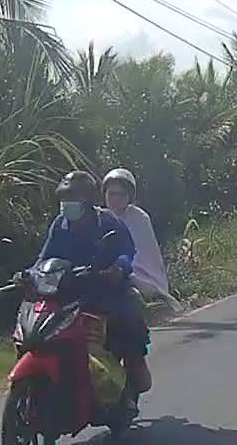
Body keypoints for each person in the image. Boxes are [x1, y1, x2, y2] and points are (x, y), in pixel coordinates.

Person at [33, 170, 152, 398]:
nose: (66, 204)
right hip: (69, 293)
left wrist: (118, 269)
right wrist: (29, 275)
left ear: (87, 201)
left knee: (130, 316)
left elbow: (128, 253)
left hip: (106, 291)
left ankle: (134, 368)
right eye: (64, 199)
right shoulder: (60, 225)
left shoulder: (108, 222)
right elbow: (44, 257)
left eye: (72, 199)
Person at [101, 168, 183, 313]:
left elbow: (141, 253)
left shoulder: (138, 218)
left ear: (129, 196)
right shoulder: (99, 217)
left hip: (138, 272)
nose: (116, 199)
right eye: (112, 194)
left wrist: (121, 266)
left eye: (121, 194)